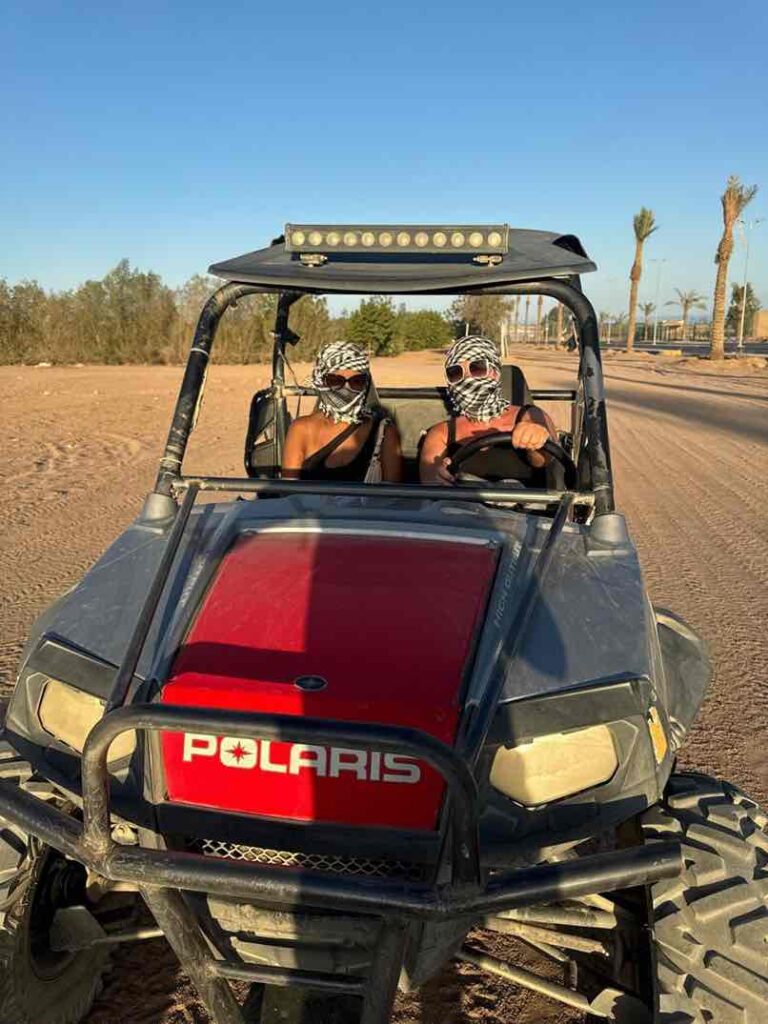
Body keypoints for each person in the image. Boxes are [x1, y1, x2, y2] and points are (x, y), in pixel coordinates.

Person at [419, 335, 556, 486]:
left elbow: (544, 461)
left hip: (523, 507)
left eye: (477, 368)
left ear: (495, 372)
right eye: (455, 373)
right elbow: (429, 479)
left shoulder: (530, 416)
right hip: (461, 507)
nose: (467, 378)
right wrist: (439, 475)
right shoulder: (441, 432)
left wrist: (536, 439)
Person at [282, 341, 402, 482]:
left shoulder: (384, 433)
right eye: (335, 381)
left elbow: (393, 497)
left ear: (366, 384)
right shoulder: (301, 429)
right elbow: (289, 493)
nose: (345, 390)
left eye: (356, 381)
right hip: (307, 505)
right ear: (321, 382)